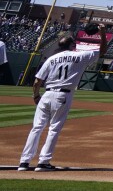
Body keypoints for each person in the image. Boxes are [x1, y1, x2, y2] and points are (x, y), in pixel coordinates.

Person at [18, 23, 107, 172]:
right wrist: (102, 33)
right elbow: (102, 51)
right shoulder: (79, 56)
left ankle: (24, 162)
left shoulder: (51, 59)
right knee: (54, 129)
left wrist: (36, 95)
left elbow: (37, 81)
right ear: (72, 45)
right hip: (62, 95)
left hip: (46, 95)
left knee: (36, 128)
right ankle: (43, 162)